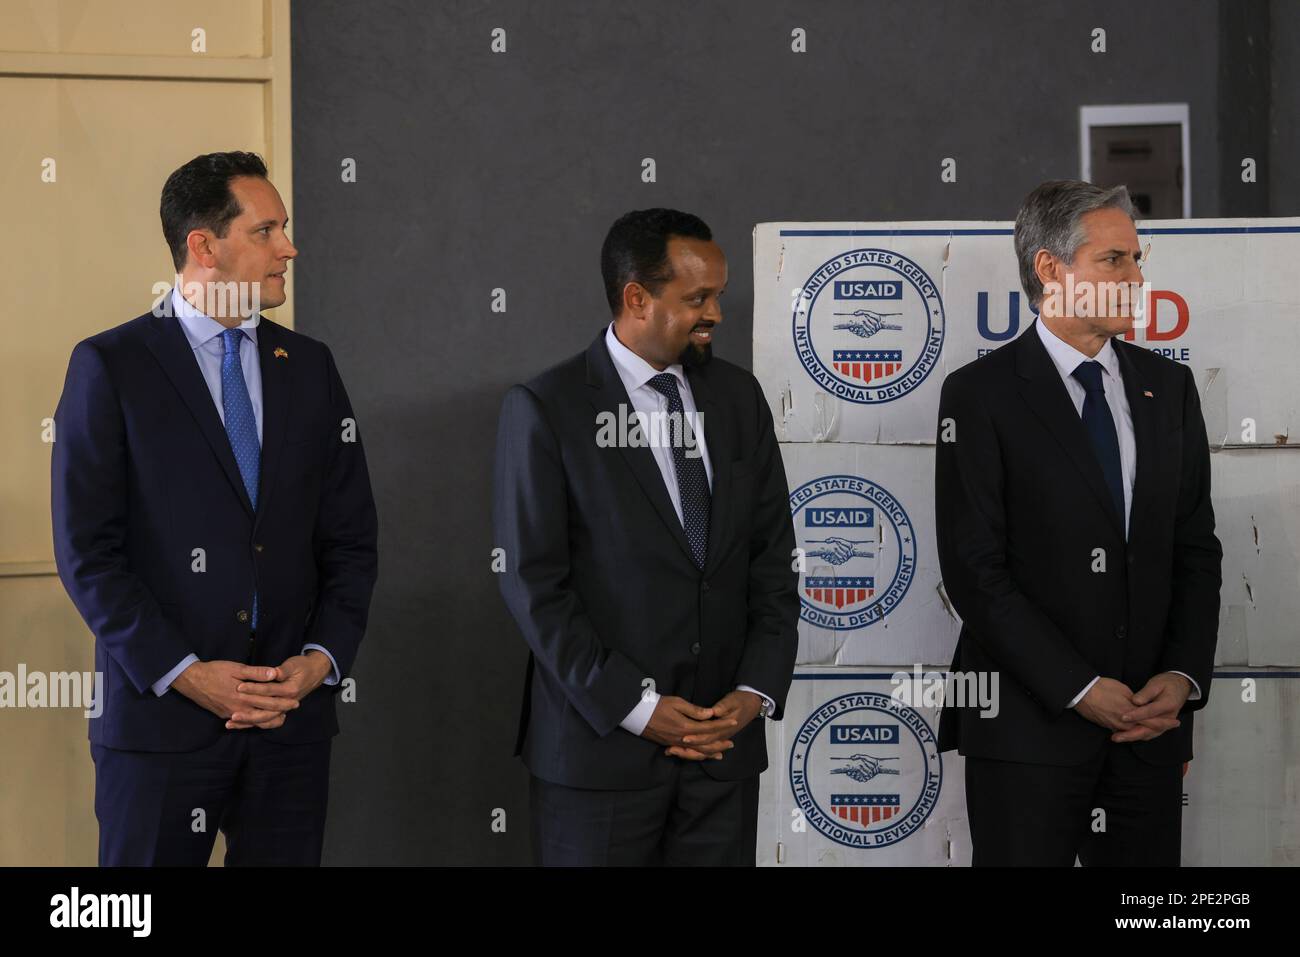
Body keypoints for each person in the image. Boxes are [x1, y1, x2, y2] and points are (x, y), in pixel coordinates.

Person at [51, 151, 379, 866]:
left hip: (291, 727)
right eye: (267, 231)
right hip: (160, 729)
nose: (288, 248)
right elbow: (87, 554)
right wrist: (187, 671)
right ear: (204, 245)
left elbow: (352, 540)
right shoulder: (111, 367)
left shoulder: (312, 367)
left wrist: (319, 660)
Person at [493, 208, 800, 865]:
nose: (715, 312)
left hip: (722, 758)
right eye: (698, 298)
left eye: (718, 294)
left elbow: (774, 562)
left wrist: (753, 693)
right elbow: (533, 585)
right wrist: (638, 707)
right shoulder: (548, 407)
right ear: (636, 296)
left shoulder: (740, 399)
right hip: (598, 758)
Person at [934, 180, 1222, 866]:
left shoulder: (1168, 390)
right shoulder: (979, 396)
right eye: (1114, 260)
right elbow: (975, 571)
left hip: (1147, 736)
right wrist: (1081, 688)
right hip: (1026, 735)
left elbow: (1194, 550)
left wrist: (1181, 679)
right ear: (1050, 269)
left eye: (1136, 259)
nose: (1136, 277)